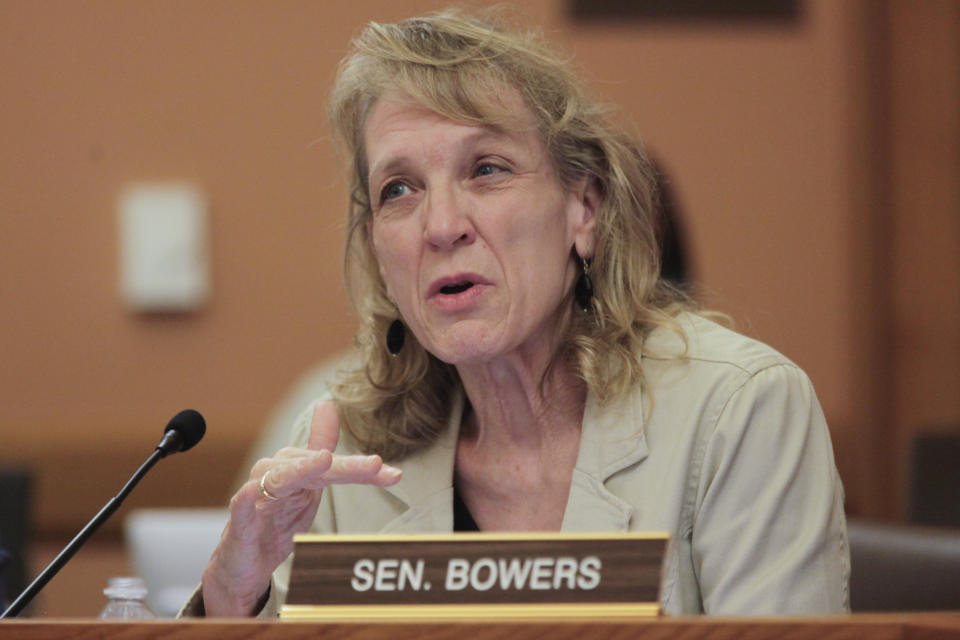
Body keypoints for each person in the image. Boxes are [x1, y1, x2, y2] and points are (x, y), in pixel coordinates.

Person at [187, 9, 849, 617]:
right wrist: (232, 589)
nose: (441, 226)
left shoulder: (740, 411)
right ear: (375, 250)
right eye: (399, 189)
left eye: (488, 170)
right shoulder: (344, 452)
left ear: (583, 210)